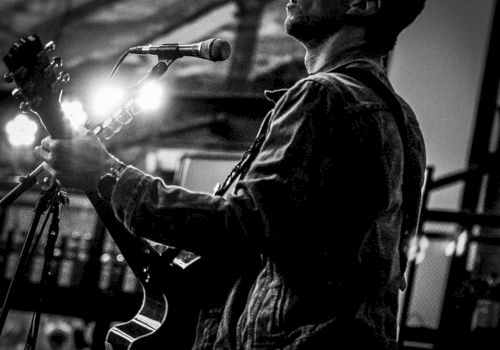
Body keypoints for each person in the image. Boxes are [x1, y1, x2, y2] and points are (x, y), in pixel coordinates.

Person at [36, 0, 427, 349]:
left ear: (362, 4)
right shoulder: (400, 118)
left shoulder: (323, 96)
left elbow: (236, 226)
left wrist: (107, 172)